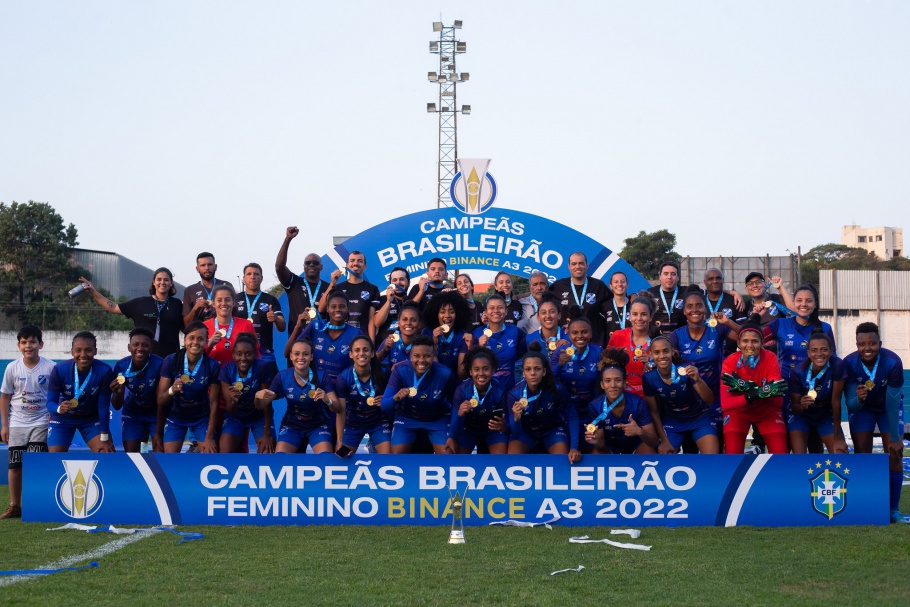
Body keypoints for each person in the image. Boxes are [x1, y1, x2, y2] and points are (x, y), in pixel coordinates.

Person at [843, 322, 906, 524]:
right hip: (864, 409)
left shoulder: (893, 362)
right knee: (863, 455)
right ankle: (865, 505)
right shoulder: (849, 363)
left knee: (894, 453)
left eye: (872, 343)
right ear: (856, 344)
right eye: (862, 344)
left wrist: (895, 438)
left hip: (888, 407)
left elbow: (893, 400)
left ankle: (893, 510)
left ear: (879, 343)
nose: (867, 348)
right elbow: (851, 405)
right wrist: (859, 399)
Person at [668, 290, 739, 448]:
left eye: (699, 305)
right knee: (690, 449)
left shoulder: (717, 329)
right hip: (690, 402)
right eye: (690, 306)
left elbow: (747, 335)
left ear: (705, 308)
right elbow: (665, 360)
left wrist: (728, 322)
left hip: (716, 399)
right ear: (684, 310)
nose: (695, 309)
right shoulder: (676, 336)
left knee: (718, 447)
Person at [0, 325, 55, 519]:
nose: (28, 346)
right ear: (18, 345)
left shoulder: (50, 367)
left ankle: (36, 504)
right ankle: (15, 506)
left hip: (41, 420)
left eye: (32, 341)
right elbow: (5, 397)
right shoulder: (12, 368)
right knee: (15, 465)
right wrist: (4, 425)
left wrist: (51, 418)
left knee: (36, 462)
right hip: (17, 423)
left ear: (40, 344)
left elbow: (55, 396)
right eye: (24, 342)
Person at [719, 316, 789, 454]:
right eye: (745, 341)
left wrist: (748, 389)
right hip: (739, 413)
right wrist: (755, 393)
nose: (750, 346)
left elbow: (778, 401)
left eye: (755, 341)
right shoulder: (730, 362)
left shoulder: (770, 357)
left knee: (781, 456)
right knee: (732, 457)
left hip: (766, 412)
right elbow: (726, 404)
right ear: (738, 343)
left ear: (762, 342)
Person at [257, 339, 341, 454]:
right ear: (291, 356)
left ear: (311, 357)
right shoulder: (282, 376)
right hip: (292, 426)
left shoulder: (322, 376)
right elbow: (261, 406)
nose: (301, 357)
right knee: (280, 458)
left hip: (318, 426)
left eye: (305, 354)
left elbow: (337, 407)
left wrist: (328, 400)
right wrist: (257, 398)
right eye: (296, 354)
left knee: (325, 458)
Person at [79, 268, 184, 357]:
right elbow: (114, 307)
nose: (162, 282)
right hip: (145, 357)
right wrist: (93, 291)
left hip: (171, 357)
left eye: (166, 280)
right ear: (153, 282)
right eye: (159, 279)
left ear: (171, 283)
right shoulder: (140, 303)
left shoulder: (177, 304)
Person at [380, 335, 457, 454]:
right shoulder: (400, 370)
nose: (421, 360)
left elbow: (456, 406)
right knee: (396, 456)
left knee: (447, 455)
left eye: (427, 356)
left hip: (437, 419)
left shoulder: (445, 374)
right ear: (410, 356)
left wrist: (452, 435)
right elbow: (384, 405)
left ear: (433, 355)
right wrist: (396, 397)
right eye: (416, 356)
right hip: (407, 418)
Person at [642, 336, 719, 454]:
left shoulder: (686, 369)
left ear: (672, 351)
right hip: (673, 421)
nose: (662, 356)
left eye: (666, 351)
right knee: (664, 457)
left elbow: (709, 400)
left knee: (711, 458)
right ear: (651, 354)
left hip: (699, 418)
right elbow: (654, 412)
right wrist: (664, 440)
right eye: (657, 352)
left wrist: (698, 380)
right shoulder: (648, 377)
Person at [507, 346, 581, 464]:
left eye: (537, 369)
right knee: (512, 460)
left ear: (544, 371)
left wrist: (574, 447)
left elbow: (572, 417)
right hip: (526, 432)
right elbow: (516, 433)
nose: (532, 373)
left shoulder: (557, 389)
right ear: (523, 373)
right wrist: (516, 419)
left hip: (552, 431)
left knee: (563, 462)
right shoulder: (514, 394)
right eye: (528, 369)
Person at [156, 322, 222, 453]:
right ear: (185, 340)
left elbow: (214, 404)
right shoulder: (171, 361)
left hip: (201, 419)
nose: (195, 342)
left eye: (200, 339)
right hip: (175, 418)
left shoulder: (213, 366)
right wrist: (171, 390)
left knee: (210, 453)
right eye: (191, 338)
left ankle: (197, 448)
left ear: (206, 342)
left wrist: (209, 437)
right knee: (169, 460)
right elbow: (160, 400)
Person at [46, 332, 116, 454]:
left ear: (95, 351)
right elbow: (50, 402)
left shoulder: (104, 371)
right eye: (78, 350)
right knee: (54, 459)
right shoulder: (59, 370)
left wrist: (104, 436)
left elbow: (103, 406)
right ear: (72, 351)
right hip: (63, 418)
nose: (83, 355)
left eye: (88, 350)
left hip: (90, 419)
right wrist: (59, 409)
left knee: (106, 452)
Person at [583, 348, 659, 454]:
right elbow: (600, 445)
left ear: (624, 383)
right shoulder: (595, 406)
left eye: (617, 380)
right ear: (602, 385)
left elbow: (654, 442)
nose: (613, 385)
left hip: (635, 447)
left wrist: (639, 431)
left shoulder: (638, 403)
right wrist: (595, 441)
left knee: (649, 451)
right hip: (610, 448)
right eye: (608, 381)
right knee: (596, 452)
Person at [786, 332, 848, 455]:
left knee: (840, 453)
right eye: (814, 350)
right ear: (808, 353)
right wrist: (802, 405)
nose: (819, 354)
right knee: (799, 456)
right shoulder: (798, 372)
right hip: (801, 417)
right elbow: (794, 407)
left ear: (831, 351)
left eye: (824, 350)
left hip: (824, 416)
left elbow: (836, 402)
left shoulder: (837, 365)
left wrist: (838, 435)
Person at [550, 318, 603, 452]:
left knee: (589, 447)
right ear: (568, 334)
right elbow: (548, 382)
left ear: (591, 333)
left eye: (584, 332)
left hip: (591, 410)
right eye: (575, 333)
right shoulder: (560, 352)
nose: (580, 336)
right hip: (566, 410)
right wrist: (559, 365)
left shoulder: (599, 352)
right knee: (566, 448)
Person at [218, 333, 276, 454]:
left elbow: (267, 404)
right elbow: (230, 409)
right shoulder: (226, 370)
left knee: (267, 452)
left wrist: (267, 434)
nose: (243, 358)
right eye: (239, 354)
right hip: (236, 417)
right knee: (224, 453)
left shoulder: (262, 367)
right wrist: (234, 401)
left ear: (255, 354)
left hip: (258, 416)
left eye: (248, 354)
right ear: (233, 355)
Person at [764, 284, 835, 382]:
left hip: (815, 386)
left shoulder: (825, 328)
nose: (804, 304)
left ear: (815, 304)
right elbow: (753, 337)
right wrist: (756, 316)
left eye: (809, 301)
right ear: (793, 303)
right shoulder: (779, 324)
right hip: (785, 386)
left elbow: (833, 359)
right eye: (799, 300)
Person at [334, 335, 392, 455]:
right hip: (353, 424)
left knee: (387, 458)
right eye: (357, 350)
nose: (361, 353)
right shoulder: (343, 378)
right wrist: (339, 441)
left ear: (372, 353)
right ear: (351, 354)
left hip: (378, 422)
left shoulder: (383, 373)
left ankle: (373, 443)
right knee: (342, 456)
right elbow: (341, 411)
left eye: (365, 350)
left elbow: (393, 400)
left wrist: (386, 400)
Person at [110, 328, 164, 453]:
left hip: (156, 413)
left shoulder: (160, 364)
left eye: (145, 345)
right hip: (133, 413)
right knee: (131, 453)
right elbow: (117, 406)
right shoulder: (121, 366)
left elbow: (163, 400)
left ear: (151, 347)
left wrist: (159, 431)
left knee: (160, 450)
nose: (140, 348)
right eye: (136, 345)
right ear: (129, 347)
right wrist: (116, 393)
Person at [288, 290, 362, 382]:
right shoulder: (315, 326)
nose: (338, 309)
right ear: (327, 309)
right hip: (317, 386)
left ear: (348, 309)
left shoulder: (355, 333)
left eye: (342, 306)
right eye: (333, 306)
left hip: (343, 387)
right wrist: (297, 327)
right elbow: (287, 353)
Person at [447, 348, 510, 454]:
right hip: (468, 431)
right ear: (470, 371)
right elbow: (454, 422)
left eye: (486, 369)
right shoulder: (462, 390)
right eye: (476, 369)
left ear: (493, 370)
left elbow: (506, 426)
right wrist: (460, 414)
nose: (481, 373)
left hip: (492, 432)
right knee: (451, 452)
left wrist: (503, 427)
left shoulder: (500, 390)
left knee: (501, 458)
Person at [275, 227, 331, 334]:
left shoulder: (328, 288)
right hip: (298, 338)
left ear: (321, 267)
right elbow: (279, 267)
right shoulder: (294, 282)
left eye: (315, 263)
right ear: (303, 266)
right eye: (308, 263)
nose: (311, 265)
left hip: (321, 338)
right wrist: (288, 239)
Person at [233, 263, 285, 374]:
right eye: (249, 274)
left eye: (256, 274)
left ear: (261, 278)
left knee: (270, 390)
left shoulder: (270, 300)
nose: (252, 276)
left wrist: (275, 318)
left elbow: (282, 326)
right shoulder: (235, 299)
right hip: (240, 356)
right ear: (244, 278)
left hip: (265, 356)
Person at [550, 252, 610, 346]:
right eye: (574, 264)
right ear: (569, 266)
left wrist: (633, 296)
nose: (578, 266)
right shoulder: (559, 286)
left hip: (593, 340)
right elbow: (541, 296)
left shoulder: (598, 285)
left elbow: (615, 303)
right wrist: (519, 296)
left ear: (587, 265)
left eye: (581, 263)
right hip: (567, 340)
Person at [471, 294, 528, 390]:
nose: (496, 311)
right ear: (485, 312)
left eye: (500, 307)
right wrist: (479, 347)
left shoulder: (515, 331)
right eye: (491, 308)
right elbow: (470, 362)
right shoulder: (477, 333)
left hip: (509, 389)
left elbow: (528, 346)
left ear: (506, 311)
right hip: (485, 390)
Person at [322, 250, 381, 342]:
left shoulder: (372, 289)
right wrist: (332, 283)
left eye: (360, 261)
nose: (355, 263)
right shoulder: (337, 287)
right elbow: (321, 309)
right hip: (339, 337)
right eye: (352, 260)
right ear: (347, 265)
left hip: (361, 337)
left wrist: (371, 343)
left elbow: (371, 320)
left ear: (365, 266)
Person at [607, 292, 657, 396]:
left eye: (643, 314)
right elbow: (605, 365)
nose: (639, 318)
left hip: (649, 395)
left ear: (651, 317)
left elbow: (668, 370)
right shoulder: (618, 336)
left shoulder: (657, 341)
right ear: (629, 316)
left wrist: (653, 362)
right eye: (635, 314)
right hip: (622, 395)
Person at [423, 291, 474, 380]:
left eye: (451, 312)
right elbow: (427, 367)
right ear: (436, 314)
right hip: (432, 383)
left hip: (454, 384)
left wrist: (469, 352)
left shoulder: (463, 336)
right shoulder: (427, 333)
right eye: (442, 312)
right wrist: (434, 343)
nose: (447, 316)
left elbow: (461, 375)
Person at [182, 252, 231, 324]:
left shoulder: (226, 286)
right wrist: (195, 308)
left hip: (224, 331)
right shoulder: (190, 290)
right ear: (197, 269)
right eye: (203, 265)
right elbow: (186, 324)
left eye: (210, 264)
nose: (207, 268)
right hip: (200, 333)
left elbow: (235, 313)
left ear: (216, 267)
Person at [377, 301, 422, 372]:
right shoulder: (391, 339)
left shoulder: (423, 343)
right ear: (398, 323)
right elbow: (374, 363)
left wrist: (403, 365)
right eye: (404, 319)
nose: (408, 323)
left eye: (413, 320)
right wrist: (384, 350)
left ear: (419, 324)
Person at [647, 261, 687, 335]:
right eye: (666, 274)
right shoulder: (650, 293)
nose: (669, 277)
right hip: (656, 338)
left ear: (678, 277)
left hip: (680, 339)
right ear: (660, 276)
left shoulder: (686, 292)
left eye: (673, 274)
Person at [373, 267, 411, 344]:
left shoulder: (411, 301)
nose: (398, 283)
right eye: (394, 280)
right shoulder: (383, 299)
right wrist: (389, 301)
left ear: (408, 283)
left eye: (402, 279)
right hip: (384, 345)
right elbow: (377, 323)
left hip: (406, 346)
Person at [603, 271, 630, 341]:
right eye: (616, 282)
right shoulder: (604, 306)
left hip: (631, 348)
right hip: (611, 348)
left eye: (623, 281)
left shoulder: (634, 305)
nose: (619, 284)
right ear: (611, 286)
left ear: (627, 284)